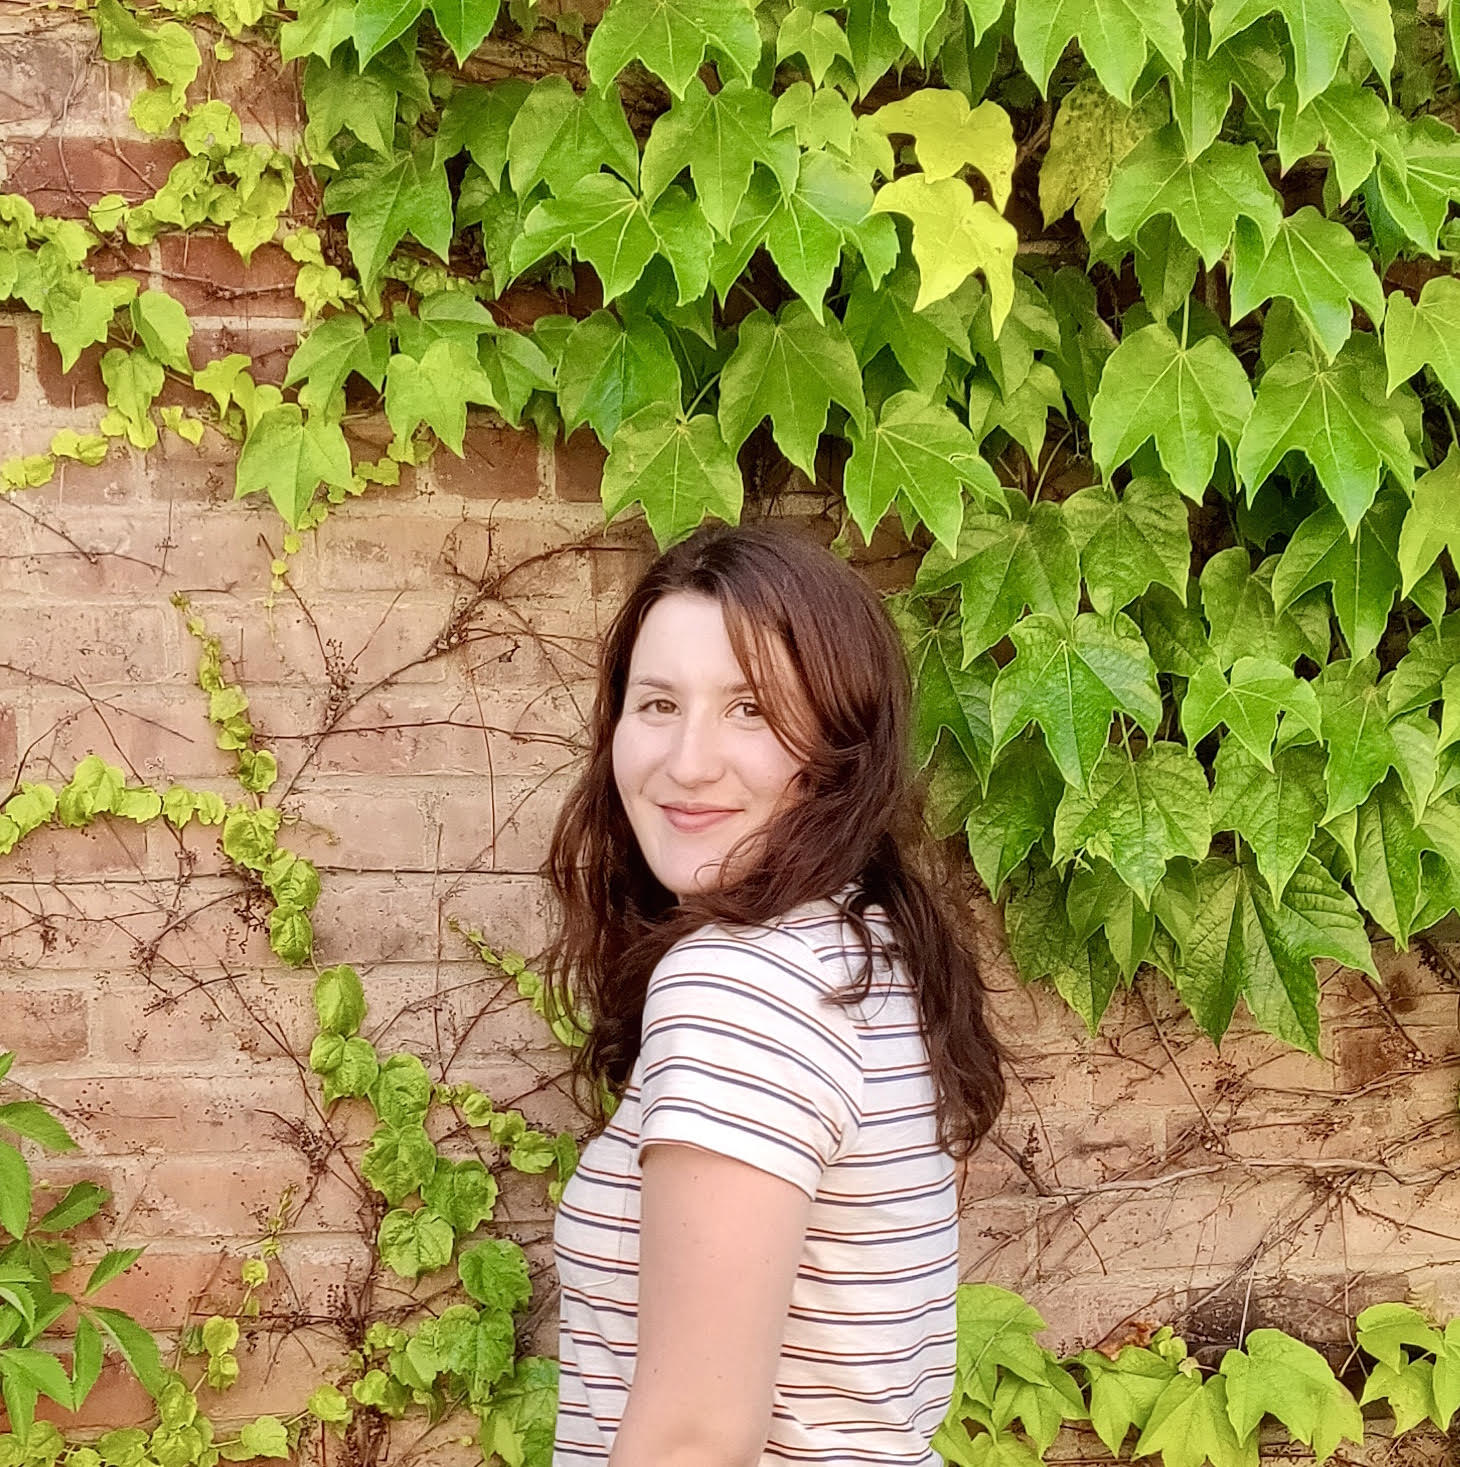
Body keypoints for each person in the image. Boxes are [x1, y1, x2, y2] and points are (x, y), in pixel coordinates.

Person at [542, 522, 1006, 1467]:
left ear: (839, 744)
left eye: (750, 709)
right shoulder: (861, 939)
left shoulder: (741, 986)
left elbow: (694, 1441)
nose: (688, 761)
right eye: (658, 703)